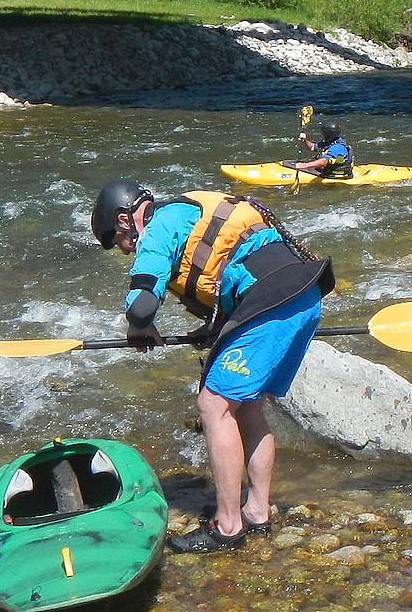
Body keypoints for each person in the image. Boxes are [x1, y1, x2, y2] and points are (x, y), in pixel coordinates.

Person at [89, 180, 335, 553]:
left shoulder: (155, 231)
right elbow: (236, 266)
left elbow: (140, 305)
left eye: (118, 241)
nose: (125, 251)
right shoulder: (186, 210)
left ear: (125, 220)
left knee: (213, 406)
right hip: (303, 294)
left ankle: (228, 526)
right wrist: (217, 331)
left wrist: (139, 328)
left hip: (271, 303)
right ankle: (256, 512)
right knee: (247, 407)